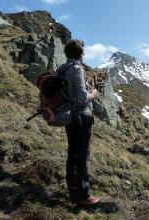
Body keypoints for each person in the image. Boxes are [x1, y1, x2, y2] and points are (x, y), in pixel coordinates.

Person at [58, 39, 100, 206]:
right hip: (81, 117)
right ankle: (83, 194)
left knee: (72, 153)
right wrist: (94, 94)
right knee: (82, 155)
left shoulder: (62, 68)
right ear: (80, 54)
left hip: (69, 116)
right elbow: (82, 98)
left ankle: (73, 190)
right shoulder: (77, 69)